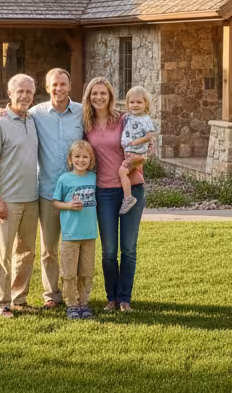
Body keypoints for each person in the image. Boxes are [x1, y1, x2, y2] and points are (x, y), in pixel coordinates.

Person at [0, 68, 84, 309]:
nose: (59, 88)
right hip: (47, 193)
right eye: (54, 84)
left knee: (77, 243)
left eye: (63, 84)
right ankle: (51, 296)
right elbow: (15, 113)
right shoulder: (36, 114)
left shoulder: (81, 113)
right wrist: (3, 111)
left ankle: (75, 294)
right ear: (46, 88)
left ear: (69, 86)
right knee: (49, 250)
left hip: (77, 193)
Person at [83, 76, 146, 313]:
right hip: (104, 193)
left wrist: (135, 160)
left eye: (103, 93)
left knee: (128, 248)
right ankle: (112, 298)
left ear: (110, 96)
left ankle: (125, 299)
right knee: (109, 251)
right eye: (94, 93)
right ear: (89, 97)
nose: (98, 97)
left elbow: (146, 149)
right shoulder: (86, 124)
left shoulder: (124, 119)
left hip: (132, 188)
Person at [0, 73, 40, 318]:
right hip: (7, 199)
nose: (25, 96)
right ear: (10, 93)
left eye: (29, 91)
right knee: (3, 253)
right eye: (20, 91)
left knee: (27, 252)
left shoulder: (34, 119)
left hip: (32, 198)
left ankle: (19, 298)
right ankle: (1, 302)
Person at [52, 140, 98, 320]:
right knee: (69, 272)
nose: (81, 160)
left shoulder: (94, 178)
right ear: (70, 159)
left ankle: (84, 303)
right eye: (77, 156)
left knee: (86, 270)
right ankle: (71, 304)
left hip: (89, 233)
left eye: (85, 157)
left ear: (91, 159)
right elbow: (55, 202)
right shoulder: (65, 179)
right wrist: (69, 205)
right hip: (70, 234)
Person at [118, 86, 156, 216]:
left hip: (136, 153)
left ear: (146, 104)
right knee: (125, 172)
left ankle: (128, 198)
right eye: (132, 102)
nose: (135, 105)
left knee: (122, 172)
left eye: (139, 102)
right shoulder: (129, 116)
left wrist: (137, 142)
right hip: (130, 152)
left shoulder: (145, 119)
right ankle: (128, 196)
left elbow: (150, 136)